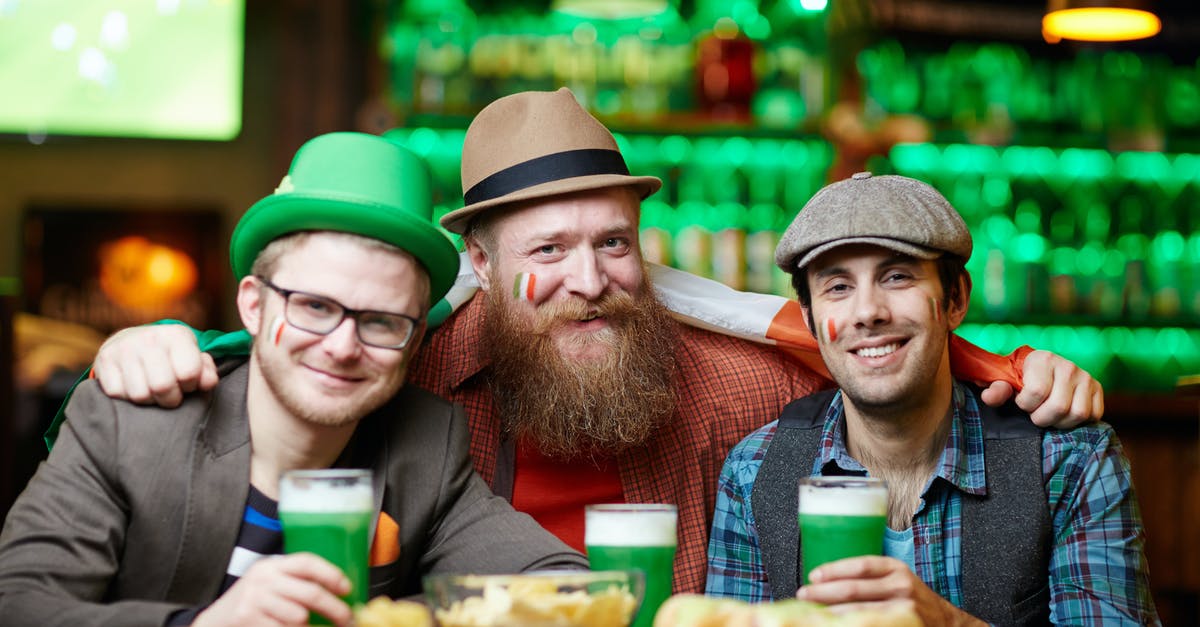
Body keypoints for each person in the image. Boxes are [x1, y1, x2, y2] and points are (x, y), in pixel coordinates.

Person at [57, 89, 1104, 594]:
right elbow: (295, 347)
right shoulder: (401, 371)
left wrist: (1016, 375)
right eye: (547, 249)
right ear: (477, 262)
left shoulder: (739, 383)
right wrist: (143, 350)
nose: (590, 280)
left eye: (614, 242)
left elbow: (879, 347)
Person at [0, 132, 585, 627]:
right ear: (253, 306)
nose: (342, 346)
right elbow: (18, 604)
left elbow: (563, 586)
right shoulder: (130, 423)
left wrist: (391, 617)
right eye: (313, 306)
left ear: (412, 340)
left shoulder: (426, 448)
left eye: (381, 321)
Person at [705, 172, 1157, 625]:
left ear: (955, 298)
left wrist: (948, 623)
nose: (868, 313)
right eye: (838, 287)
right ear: (809, 319)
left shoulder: (1068, 459)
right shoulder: (754, 471)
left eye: (897, 276)